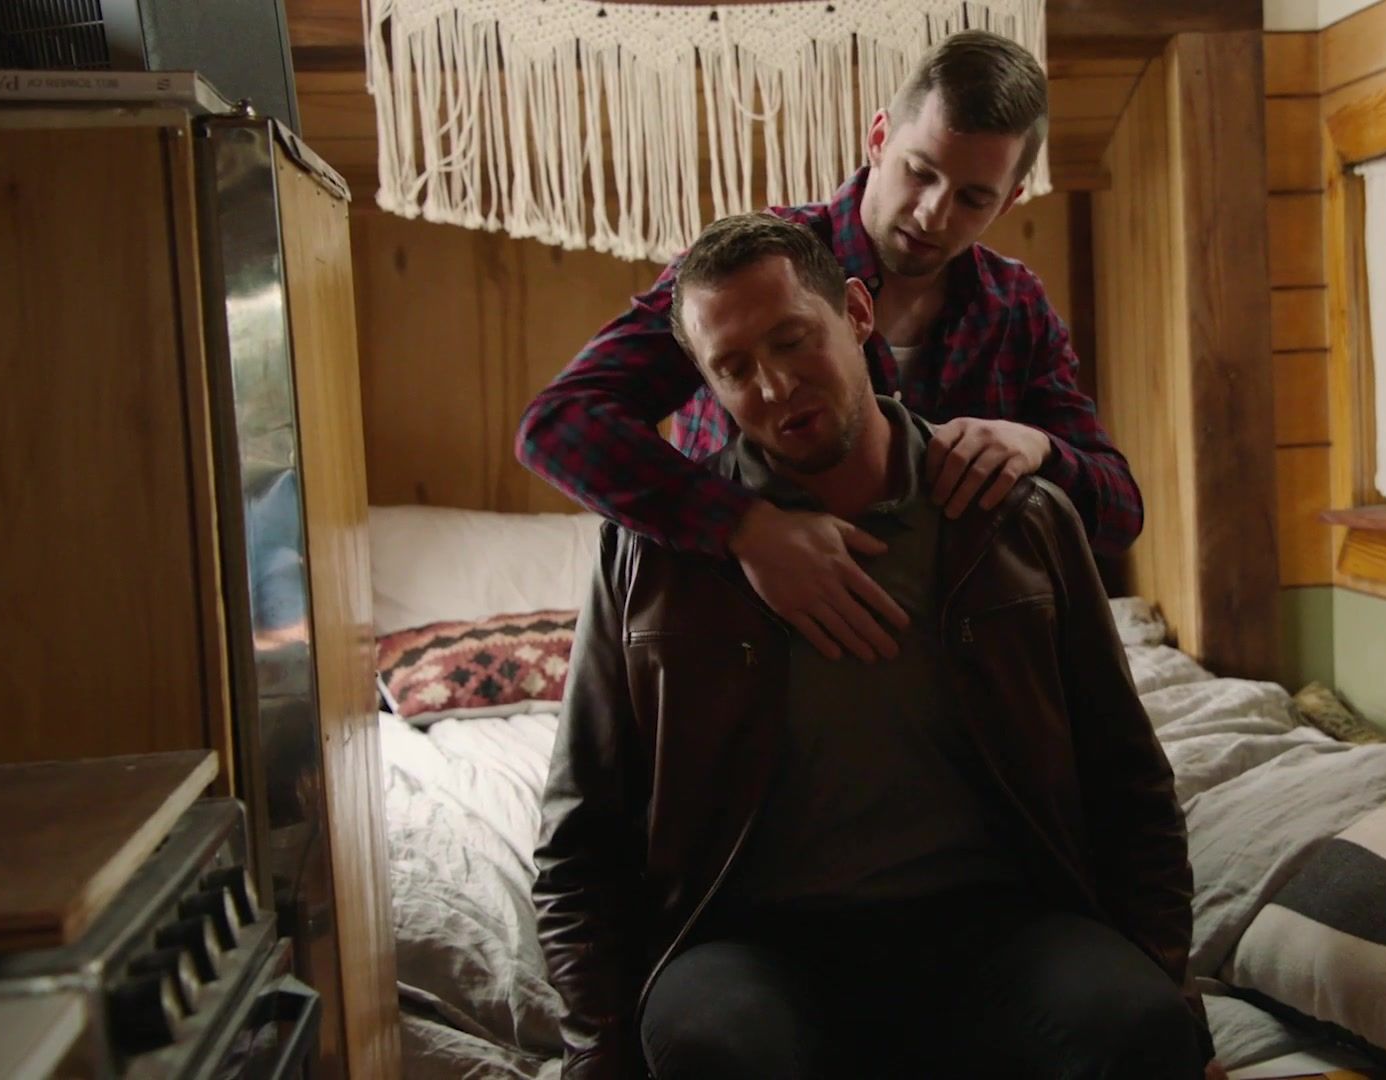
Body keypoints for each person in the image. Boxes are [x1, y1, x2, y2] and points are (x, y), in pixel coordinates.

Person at [533, 214, 1217, 1080]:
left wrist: (1173, 994)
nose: (775, 386)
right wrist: (595, 1059)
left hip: (1001, 926)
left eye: (793, 340)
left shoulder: (1018, 519)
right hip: (747, 944)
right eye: (733, 369)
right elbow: (580, 836)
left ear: (857, 313)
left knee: (1138, 1031)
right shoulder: (649, 557)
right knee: (714, 1051)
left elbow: (1129, 782)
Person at [515, 29, 1143, 667]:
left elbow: (1119, 514)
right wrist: (745, 527)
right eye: (919, 172)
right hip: (741, 645)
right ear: (879, 138)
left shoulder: (1015, 307)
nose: (932, 213)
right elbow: (559, 424)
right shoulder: (751, 271)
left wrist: (1038, 448)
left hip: (945, 658)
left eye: (973, 197)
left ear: (1009, 200)